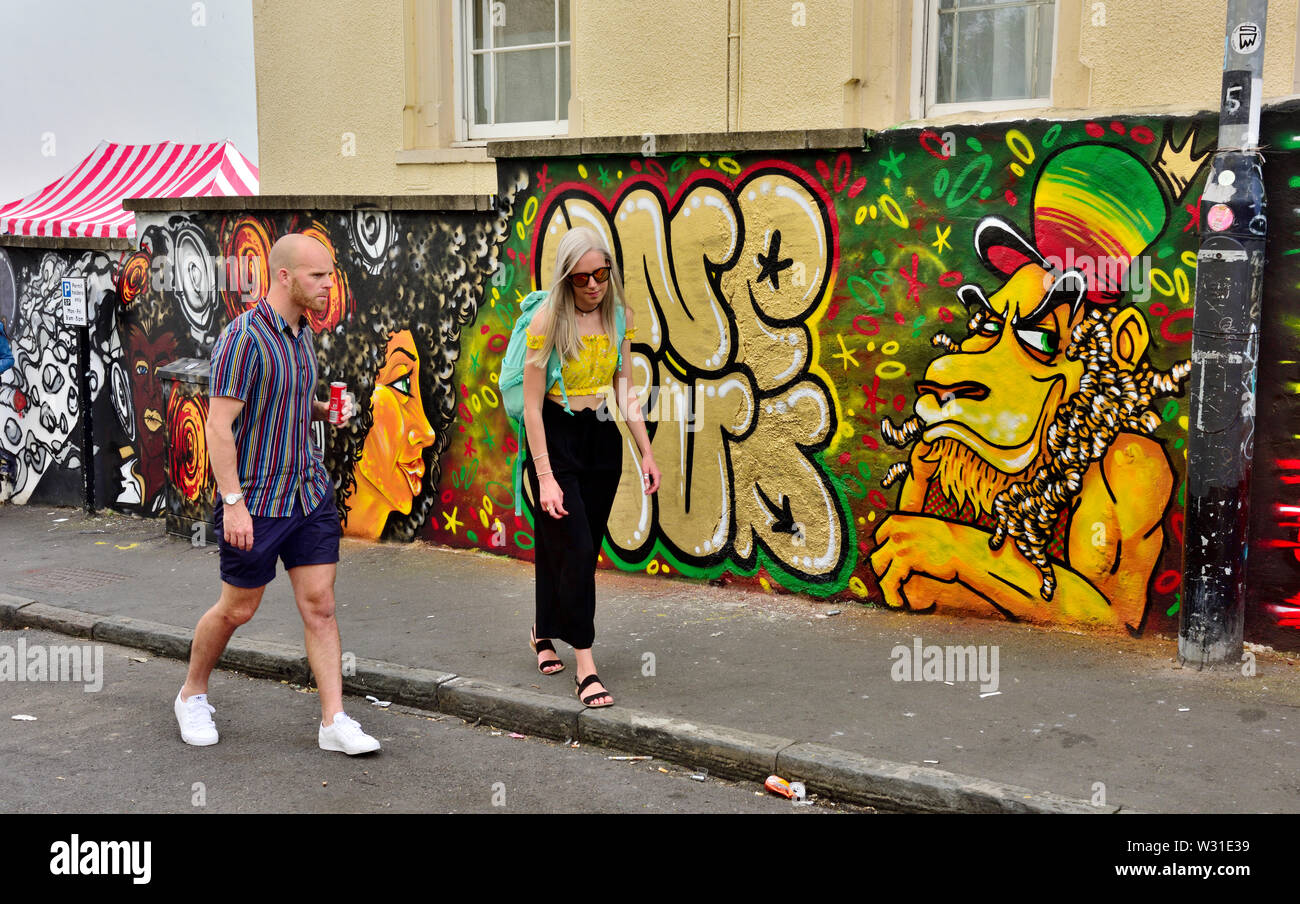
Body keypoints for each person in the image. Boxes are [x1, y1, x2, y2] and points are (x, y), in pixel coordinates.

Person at [174, 233, 380, 755]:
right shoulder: (243, 338)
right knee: (237, 608)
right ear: (284, 276)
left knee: (321, 606)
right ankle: (191, 693)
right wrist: (232, 502)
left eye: (330, 275)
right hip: (257, 500)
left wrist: (321, 411)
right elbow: (220, 427)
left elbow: (285, 403)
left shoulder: (301, 332)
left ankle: (333, 720)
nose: (328, 285)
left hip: (307, 493)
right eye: (319, 276)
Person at [522, 226, 661, 707]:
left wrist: (645, 450)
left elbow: (625, 389)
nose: (594, 285)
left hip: (602, 437)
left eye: (602, 273)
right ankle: (586, 665)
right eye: (583, 278)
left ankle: (544, 630)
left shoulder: (618, 317)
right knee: (574, 545)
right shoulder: (546, 324)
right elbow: (533, 407)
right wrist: (544, 475)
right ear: (566, 279)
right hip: (555, 437)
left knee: (576, 546)